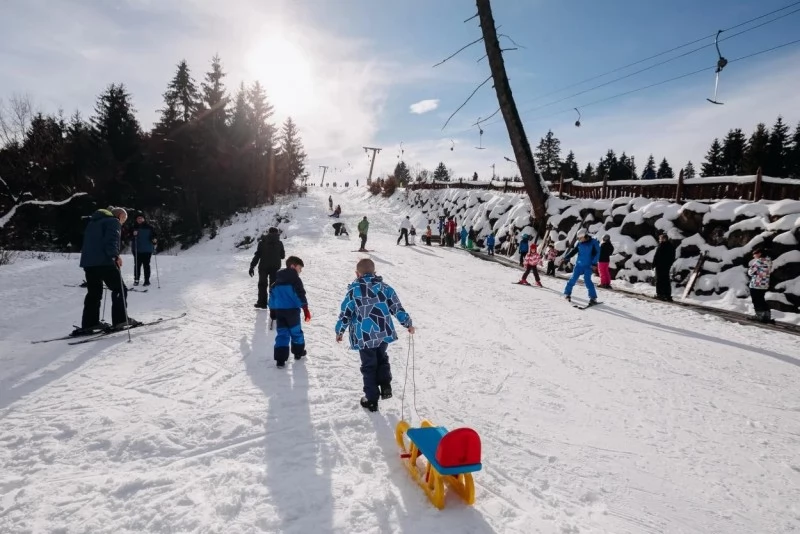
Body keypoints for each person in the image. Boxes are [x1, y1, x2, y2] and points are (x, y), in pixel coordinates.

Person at [335, 258, 415, 412]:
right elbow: (397, 308)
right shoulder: (385, 288)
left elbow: (345, 314)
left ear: (357, 274)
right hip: (383, 333)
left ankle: (371, 399)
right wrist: (408, 323)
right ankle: (385, 385)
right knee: (382, 357)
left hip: (364, 336)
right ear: (375, 272)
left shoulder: (353, 291)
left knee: (369, 366)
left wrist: (340, 331)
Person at [76, 207, 138, 335]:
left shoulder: (93, 222)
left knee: (94, 292)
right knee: (119, 289)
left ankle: (90, 323)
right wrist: (115, 256)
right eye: (124, 219)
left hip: (89, 263)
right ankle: (120, 319)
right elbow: (111, 240)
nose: (123, 222)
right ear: (120, 215)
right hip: (104, 262)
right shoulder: (113, 222)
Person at [269, 256, 310, 368]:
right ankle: (298, 352)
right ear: (293, 266)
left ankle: (280, 360)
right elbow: (300, 294)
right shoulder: (295, 280)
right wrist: (305, 308)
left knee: (282, 334)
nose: (300, 271)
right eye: (299, 268)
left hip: (280, 312)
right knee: (296, 332)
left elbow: (272, 296)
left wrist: (272, 311)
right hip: (292, 312)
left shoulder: (276, 281)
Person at [249, 227, 285, 309]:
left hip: (263, 267)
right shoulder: (279, 243)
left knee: (262, 284)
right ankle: (274, 304)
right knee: (273, 285)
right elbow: (282, 256)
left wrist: (252, 266)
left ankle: (262, 303)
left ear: (268, 232)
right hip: (275, 267)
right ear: (277, 233)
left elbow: (257, 255)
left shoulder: (262, 242)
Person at [561, 229, 600, 304]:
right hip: (579, 265)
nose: (579, 240)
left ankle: (593, 298)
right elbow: (573, 251)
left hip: (588, 266)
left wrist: (594, 264)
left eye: (580, 238)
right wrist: (565, 257)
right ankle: (567, 293)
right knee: (573, 279)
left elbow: (597, 253)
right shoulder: (580, 243)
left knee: (587, 280)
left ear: (585, 236)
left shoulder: (594, 243)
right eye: (578, 239)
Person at [748, 247, 774, 324]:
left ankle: (759, 316)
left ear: (760, 254)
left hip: (756, 284)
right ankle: (767, 316)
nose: (753, 256)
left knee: (756, 300)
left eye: (755, 254)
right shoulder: (769, 261)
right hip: (764, 284)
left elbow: (750, 272)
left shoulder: (758, 262)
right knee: (761, 299)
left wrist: (751, 271)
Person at [131, 214, 157, 286]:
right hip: (136, 249)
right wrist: (133, 234)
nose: (140, 219)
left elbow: (154, 235)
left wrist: (154, 240)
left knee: (146, 265)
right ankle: (136, 280)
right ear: (136, 220)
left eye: (141, 218)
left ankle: (147, 280)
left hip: (147, 249)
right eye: (138, 218)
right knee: (137, 265)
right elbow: (129, 237)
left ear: (144, 219)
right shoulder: (133, 227)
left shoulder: (150, 227)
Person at [653, 233, 675, 301]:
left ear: (664, 239)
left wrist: (654, 264)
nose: (660, 240)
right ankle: (667, 294)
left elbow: (657, 256)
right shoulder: (671, 246)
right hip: (666, 266)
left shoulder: (662, 246)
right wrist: (669, 264)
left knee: (659, 280)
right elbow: (672, 257)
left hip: (660, 266)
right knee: (666, 280)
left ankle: (660, 294)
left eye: (661, 238)